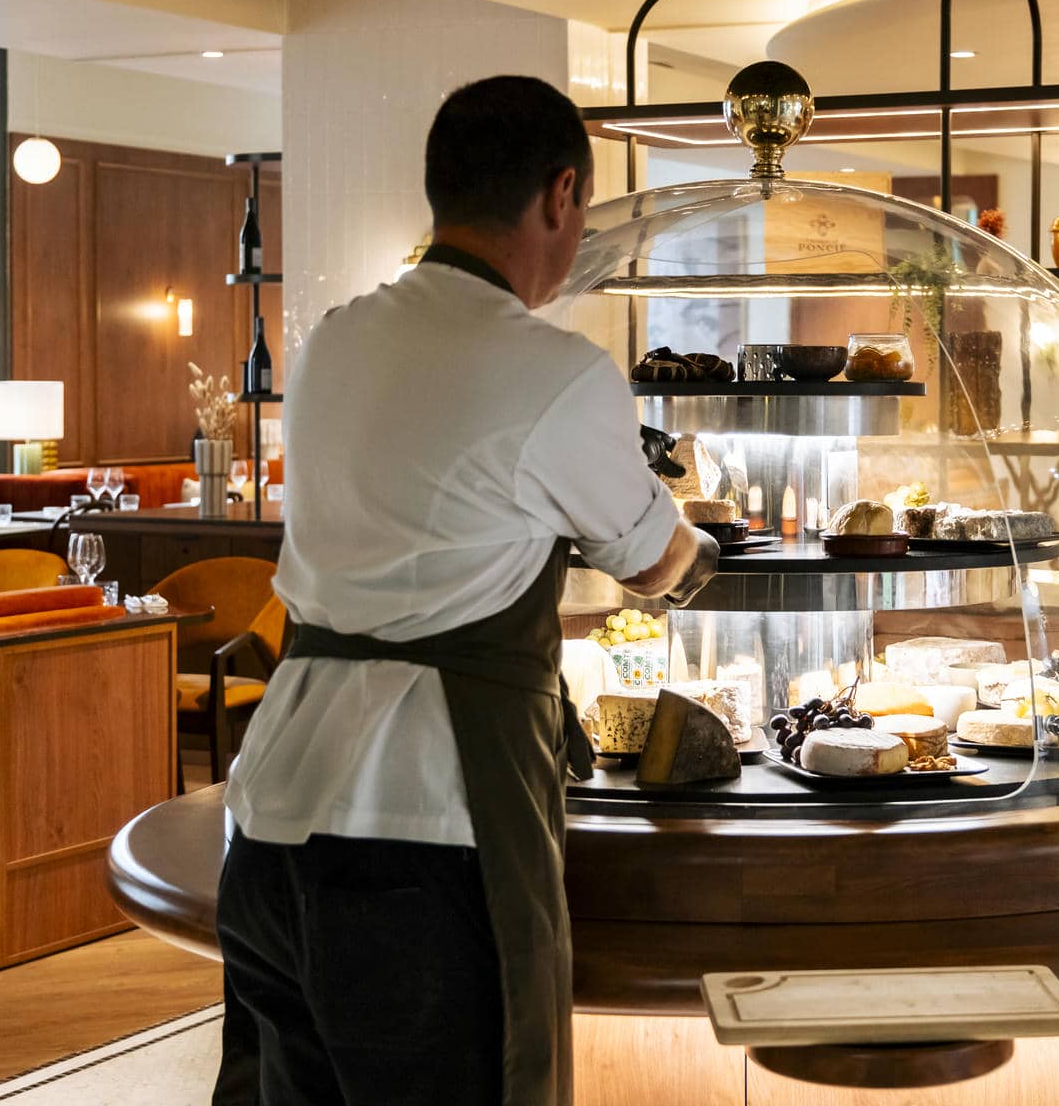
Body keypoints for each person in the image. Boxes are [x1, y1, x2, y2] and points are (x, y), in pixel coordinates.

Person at [215, 75, 718, 1105]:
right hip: (425, 834)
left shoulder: (332, 343)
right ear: (562, 194)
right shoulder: (559, 372)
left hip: (269, 822)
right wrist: (699, 535)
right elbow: (658, 563)